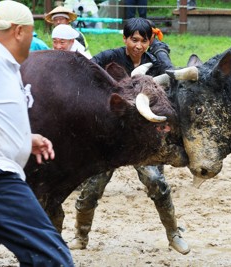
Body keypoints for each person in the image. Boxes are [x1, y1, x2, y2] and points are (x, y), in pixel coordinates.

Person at [69, 17, 190, 255]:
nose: (138, 45)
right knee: (92, 187)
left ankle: (174, 234)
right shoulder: (106, 58)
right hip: (109, 135)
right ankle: (80, 236)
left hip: (143, 136)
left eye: (144, 41)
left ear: (149, 41)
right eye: (134, 40)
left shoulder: (155, 64)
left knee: (156, 182)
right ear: (124, 38)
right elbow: (84, 76)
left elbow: (170, 89)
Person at [0, 1, 74, 266]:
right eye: (33, 32)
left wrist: (21, 140)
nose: (34, 39)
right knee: (51, 258)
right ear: (19, 31)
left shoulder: (3, 64)